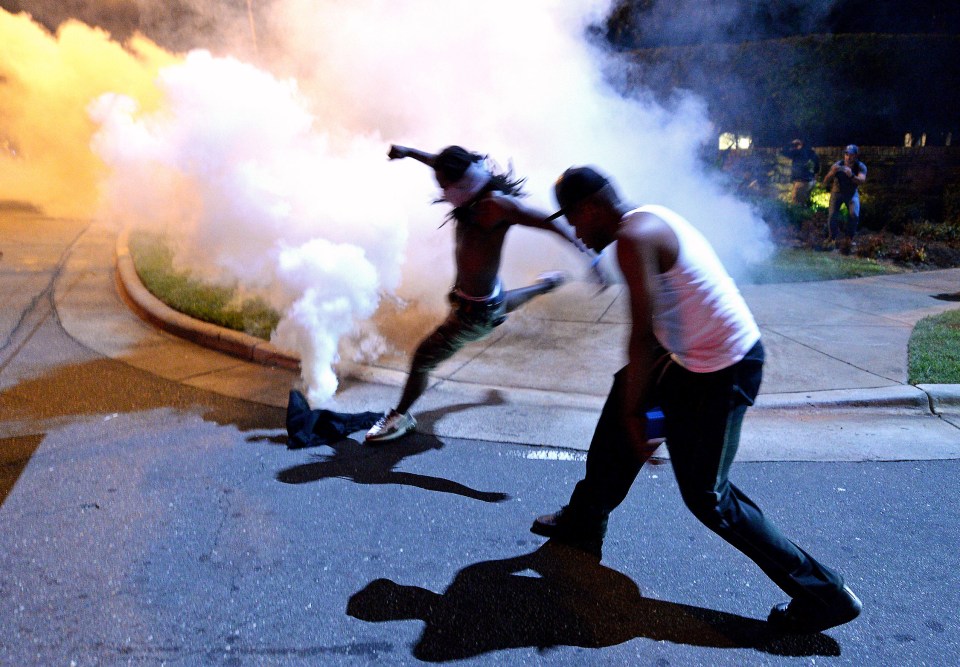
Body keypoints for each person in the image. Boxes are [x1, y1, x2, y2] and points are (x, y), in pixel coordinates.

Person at [531, 166, 862, 634]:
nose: (576, 234)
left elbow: (641, 334)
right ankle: (584, 523)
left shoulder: (634, 236)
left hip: (723, 371)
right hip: (687, 359)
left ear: (589, 208)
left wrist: (638, 414)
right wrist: (634, 412)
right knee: (617, 426)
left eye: (574, 221)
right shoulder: (645, 219)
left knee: (710, 498)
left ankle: (825, 595)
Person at [365, 145, 589, 442]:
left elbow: (545, 221)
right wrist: (407, 153)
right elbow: (436, 161)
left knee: (423, 359)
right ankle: (547, 284)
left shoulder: (493, 206)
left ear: (464, 183)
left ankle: (399, 418)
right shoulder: (465, 179)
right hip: (483, 297)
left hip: (473, 313)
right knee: (500, 304)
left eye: (447, 185)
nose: (443, 191)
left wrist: (587, 252)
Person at [823, 144, 867, 249]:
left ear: (856, 156)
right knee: (832, 215)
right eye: (846, 154)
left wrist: (851, 175)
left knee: (854, 214)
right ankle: (832, 238)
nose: (848, 157)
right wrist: (832, 173)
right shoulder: (838, 165)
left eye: (851, 155)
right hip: (837, 192)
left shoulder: (860, 166)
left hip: (851, 193)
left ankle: (849, 239)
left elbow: (861, 180)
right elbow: (825, 181)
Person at [780, 138, 820, 206]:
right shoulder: (813, 154)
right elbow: (817, 169)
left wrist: (791, 143)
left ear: (800, 144)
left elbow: (783, 151)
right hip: (810, 182)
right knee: (803, 203)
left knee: (795, 204)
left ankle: (796, 215)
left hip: (800, 182)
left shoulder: (799, 152)